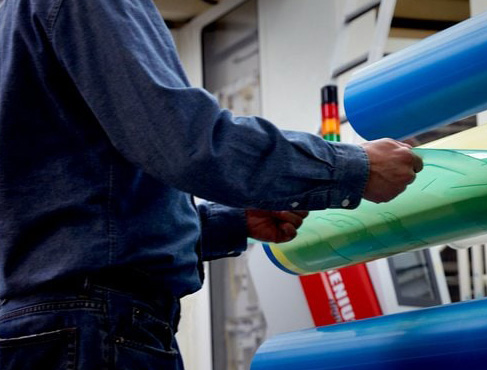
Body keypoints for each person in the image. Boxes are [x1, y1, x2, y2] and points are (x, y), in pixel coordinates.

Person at [0, 0, 423, 369]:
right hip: (97, 331)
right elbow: (183, 140)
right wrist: (353, 169)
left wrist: (229, 223)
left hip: (38, 331)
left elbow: (65, 215)